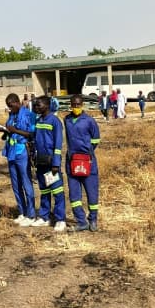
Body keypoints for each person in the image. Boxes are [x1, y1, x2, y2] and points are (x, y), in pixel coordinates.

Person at [64, 94, 101, 232]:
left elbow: (96, 139)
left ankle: (93, 220)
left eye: (78, 105)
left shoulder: (89, 121)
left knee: (92, 192)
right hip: (72, 161)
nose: (76, 107)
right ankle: (81, 221)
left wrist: (87, 151)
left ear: (82, 105)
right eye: (73, 105)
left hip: (87, 161)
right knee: (74, 194)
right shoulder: (67, 119)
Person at [32, 95, 66, 231]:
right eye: (35, 105)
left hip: (51, 163)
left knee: (57, 191)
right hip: (40, 162)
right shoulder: (38, 120)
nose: (36, 107)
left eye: (38, 105)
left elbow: (58, 144)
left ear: (46, 105)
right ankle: (44, 217)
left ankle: (60, 219)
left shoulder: (55, 121)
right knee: (44, 190)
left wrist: (56, 164)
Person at [3, 92, 36, 226]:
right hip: (11, 151)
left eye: (11, 105)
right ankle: (22, 212)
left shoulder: (29, 115)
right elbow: (9, 129)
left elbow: (31, 134)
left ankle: (31, 214)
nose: (10, 108)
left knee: (26, 182)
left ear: (17, 102)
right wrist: (5, 131)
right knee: (16, 184)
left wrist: (15, 131)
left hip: (22, 151)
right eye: (8, 106)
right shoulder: (12, 115)